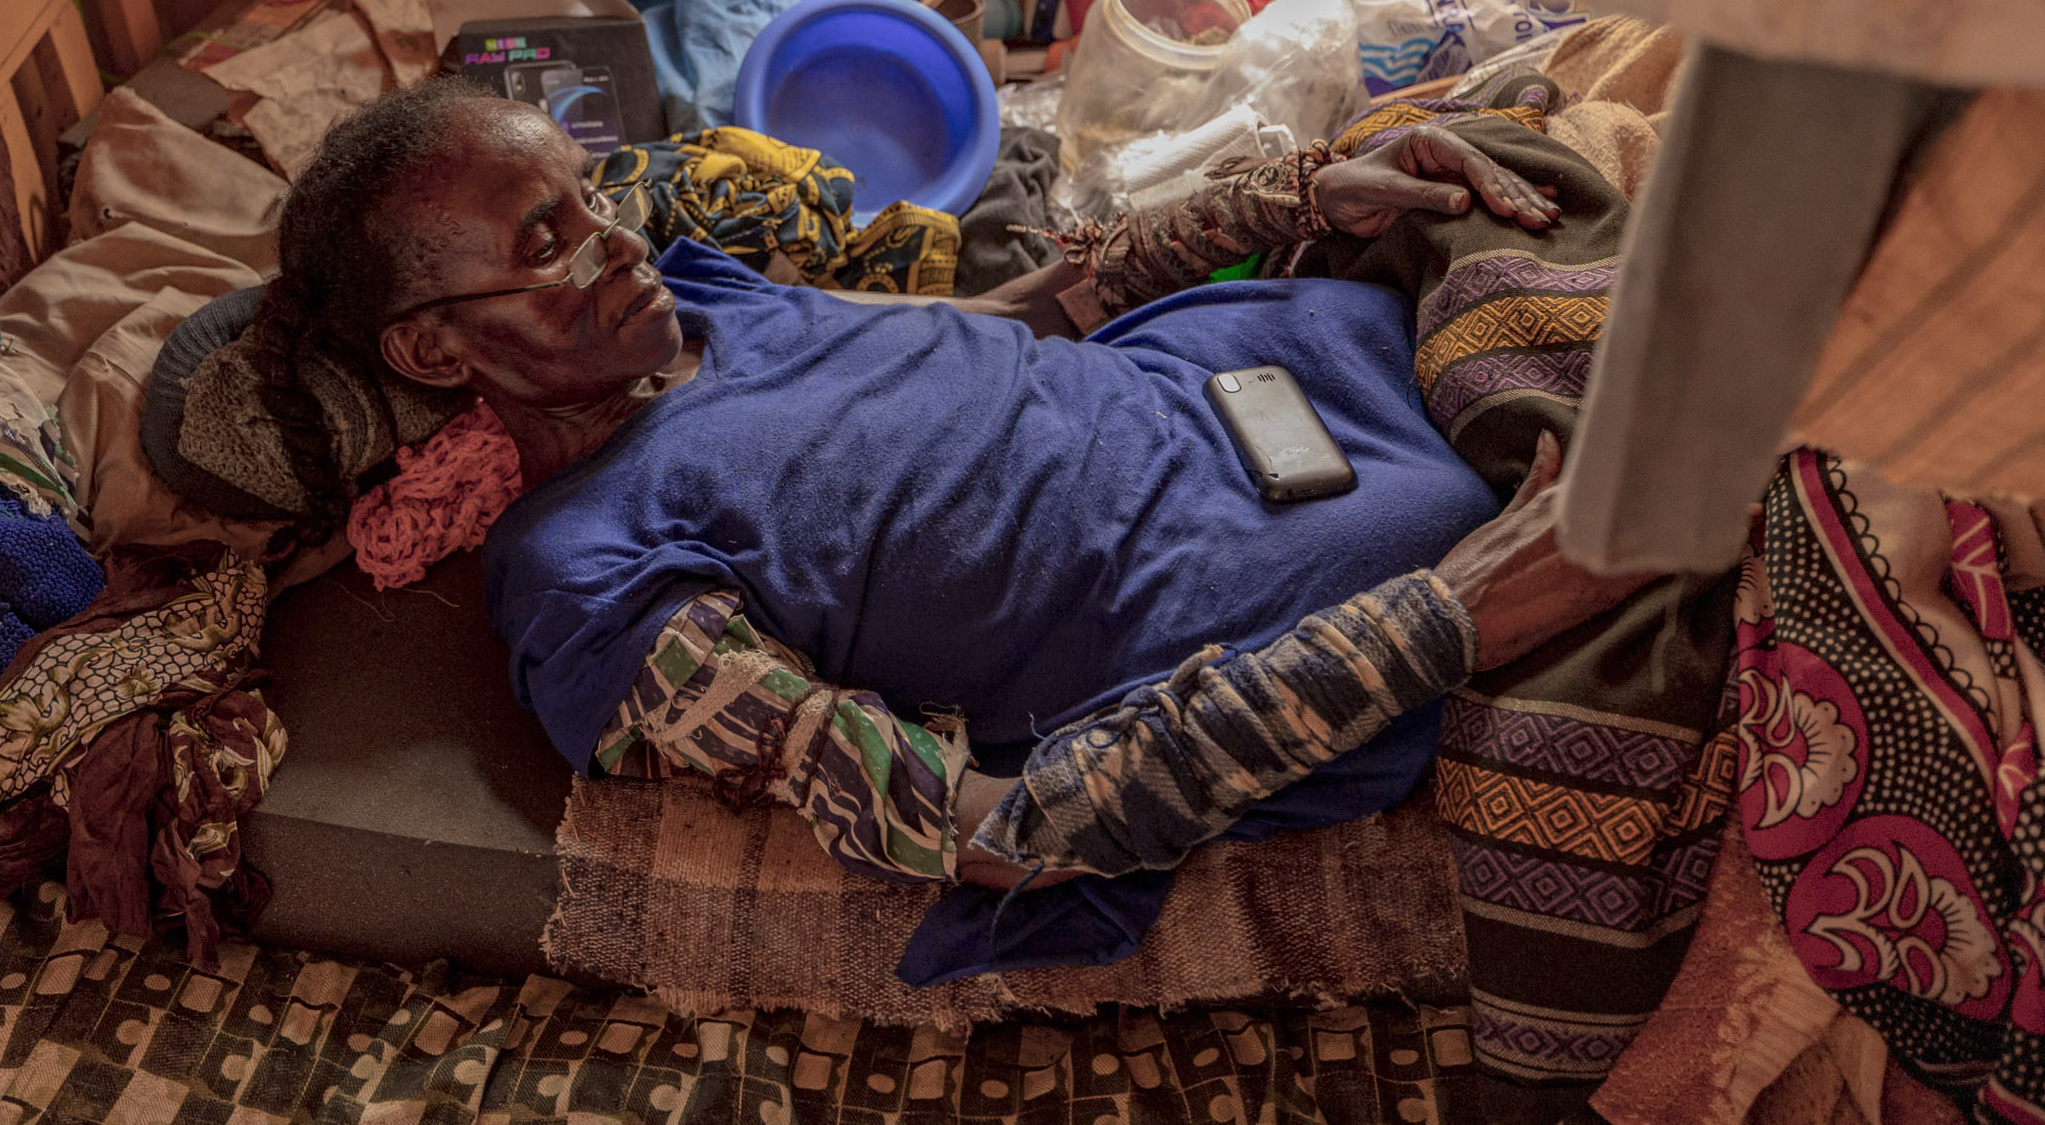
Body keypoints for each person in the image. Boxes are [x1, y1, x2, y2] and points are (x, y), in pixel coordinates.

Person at [251, 76, 1647, 904]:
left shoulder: (702, 300)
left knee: (1486, 154)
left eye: (597, 195)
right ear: (433, 346)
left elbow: (1028, 314)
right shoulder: (591, 580)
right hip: (1412, 575)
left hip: (1346, 355)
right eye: (547, 243)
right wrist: (1450, 620)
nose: (622, 244)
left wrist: (1292, 202)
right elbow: (997, 833)